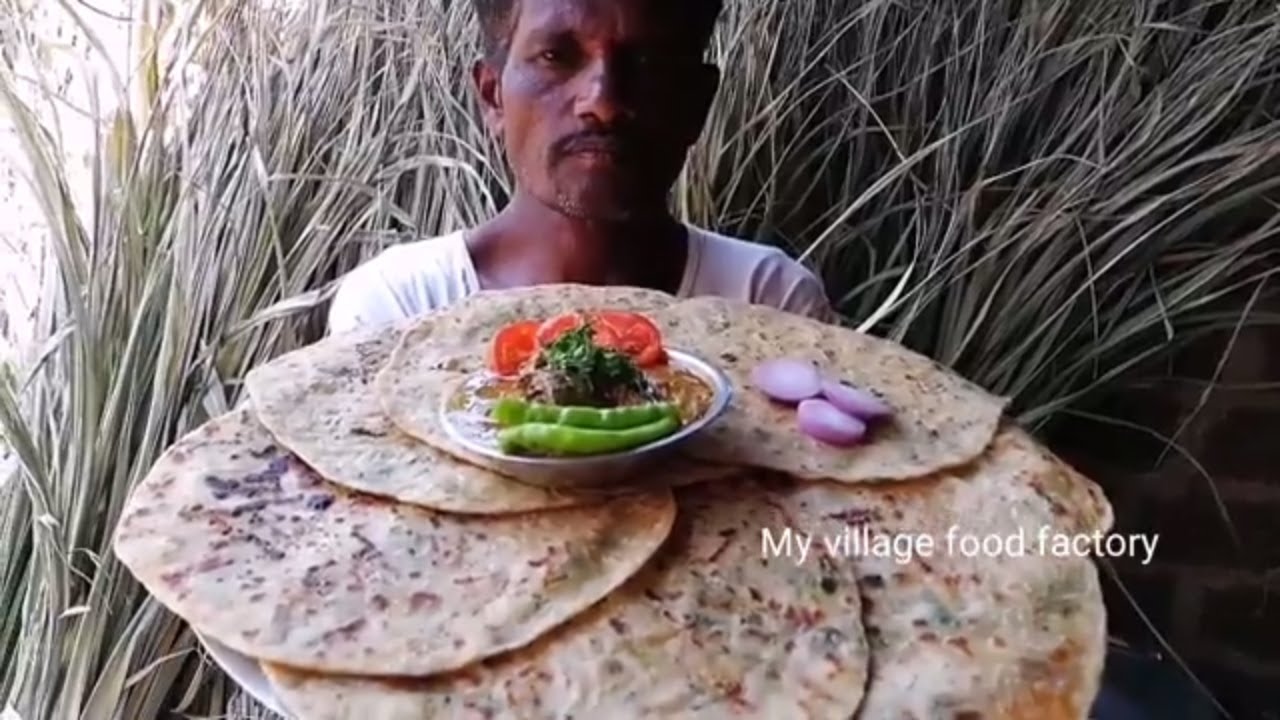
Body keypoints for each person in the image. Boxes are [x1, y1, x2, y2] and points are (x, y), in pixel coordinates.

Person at [326, 0, 835, 335]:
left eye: (648, 63)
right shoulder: (399, 307)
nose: (604, 102)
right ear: (492, 97)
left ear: (696, 106)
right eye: (556, 56)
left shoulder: (767, 301)